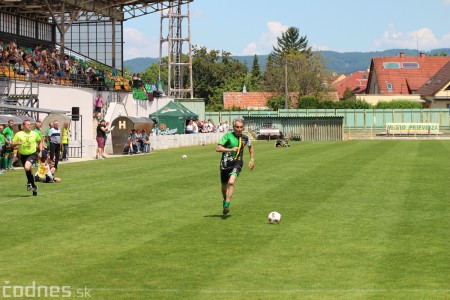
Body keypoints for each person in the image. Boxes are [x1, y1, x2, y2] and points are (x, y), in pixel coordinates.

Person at [216, 118, 254, 215]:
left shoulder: (245, 138)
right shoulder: (228, 136)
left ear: (243, 127)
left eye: (241, 127)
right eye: (237, 127)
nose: (239, 129)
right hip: (225, 164)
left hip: (237, 163)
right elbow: (218, 148)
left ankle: (227, 204)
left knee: (231, 182)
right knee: (224, 186)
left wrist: (252, 159)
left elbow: (250, 147)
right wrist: (230, 150)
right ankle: (225, 200)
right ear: (233, 127)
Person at [11, 120, 43, 196]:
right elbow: (12, 143)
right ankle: (34, 186)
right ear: (23, 126)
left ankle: (30, 183)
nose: (30, 126)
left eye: (30, 124)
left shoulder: (34, 133)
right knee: (28, 170)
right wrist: (17, 143)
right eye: (28, 124)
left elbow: (40, 141)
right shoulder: (19, 134)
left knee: (27, 167)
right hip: (23, 155)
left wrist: (41, 151)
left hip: (32, 154)